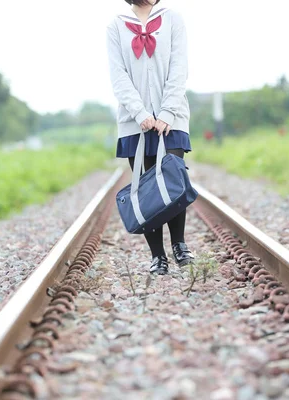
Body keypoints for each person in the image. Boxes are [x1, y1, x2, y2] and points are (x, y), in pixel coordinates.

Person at [106, 0, 193, 275]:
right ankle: (158, 256)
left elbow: (180, 67)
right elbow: (118, 75)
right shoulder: (116, 25)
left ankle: (179, 245)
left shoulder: (172, 19)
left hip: (173, 118)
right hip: (135, 123)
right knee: (145, 188)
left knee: (173, 179)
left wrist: (167, 112)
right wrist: (140, 113)